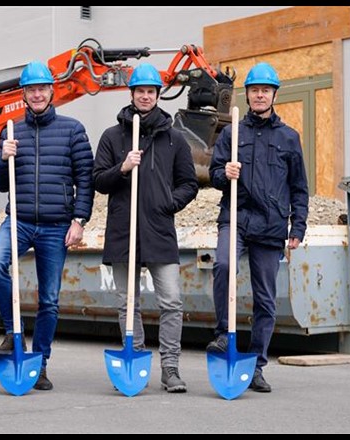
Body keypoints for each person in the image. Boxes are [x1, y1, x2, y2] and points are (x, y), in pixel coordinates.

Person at [0, 61, 94, 391]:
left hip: (56, 226)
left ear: (51, 91)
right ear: (24, 95)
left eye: (42, 88)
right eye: (31, 89)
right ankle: (10, 330)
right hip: (18, 220)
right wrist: (3, 157)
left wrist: (79, 220)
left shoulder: (73, 130)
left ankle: (40, 363)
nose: (36, 94)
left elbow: (85, 179)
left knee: (49, 299)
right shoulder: (11, 130)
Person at [93, 63, 198, 393]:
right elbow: (98, 180)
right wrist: (122, 168)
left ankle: (170, 368)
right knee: (128, 303)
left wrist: (169, 203)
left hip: (159, 230)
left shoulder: (174, 139)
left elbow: (188, 183)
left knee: (171, 301)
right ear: (132, 94)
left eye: (151, 91)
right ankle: (134, 357)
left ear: (157, 95)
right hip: (124, 231)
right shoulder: (112, 137)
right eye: (140, 91)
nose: (145, 96)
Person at [206, 62, 309, 393]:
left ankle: (257, 365)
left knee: (266, 299)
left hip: (271, 224)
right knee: (223, 265)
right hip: (235, 216)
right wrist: (227, 174)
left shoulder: (289, 138)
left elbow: (299, 187)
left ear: (274, 94)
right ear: (247, 95)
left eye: (265, 90)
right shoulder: (231, 132)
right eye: (254, 90)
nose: (260, 95)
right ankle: (224, 334)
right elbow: (214, 174)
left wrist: (298, 226)